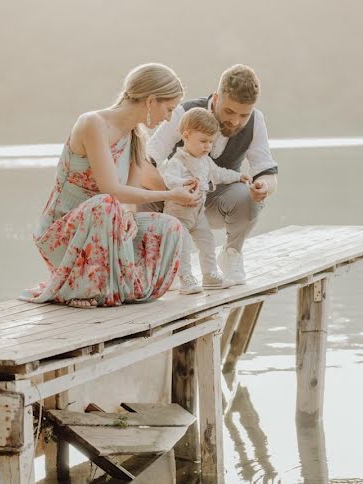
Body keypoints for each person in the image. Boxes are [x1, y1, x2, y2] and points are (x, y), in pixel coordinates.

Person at [23, 63, 200, 308]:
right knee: (105, 205)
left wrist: (127, 214)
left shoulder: (136, 137)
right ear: (150, 101)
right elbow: (111, 189)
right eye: (168, 109)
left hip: (108, 223)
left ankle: (121, 290)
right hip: (65, 231)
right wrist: (172, 194)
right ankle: (80, 288)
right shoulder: (92, 124)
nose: (168, 118)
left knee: (169, 226)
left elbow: (128, 196)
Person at [145, 64, 278, 285]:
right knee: (144, 189)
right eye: (229, 111)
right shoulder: (183, 113)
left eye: (243, 115)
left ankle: (231, 255)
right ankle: (161, 261)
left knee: (247, 196)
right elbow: (146, 160)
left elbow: (267, 172)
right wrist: (172, 193)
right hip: (175, 204)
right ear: (216, 98)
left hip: (216, 201)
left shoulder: (256, 120)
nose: (236, 121)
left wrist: (264, 187)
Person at [162, 107, 251, 294]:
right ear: (186, 136)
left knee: (208, 243)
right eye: (203, 141)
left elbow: (219, 173)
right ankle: (185, 278)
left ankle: (210, 275)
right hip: (179, 215)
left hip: (198, 213)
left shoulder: (205, 160)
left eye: (211, 142)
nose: (207, 146)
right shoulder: (177, 161)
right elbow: (168, 180)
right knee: (183, 247)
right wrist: (183, 182)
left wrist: (238, 176)